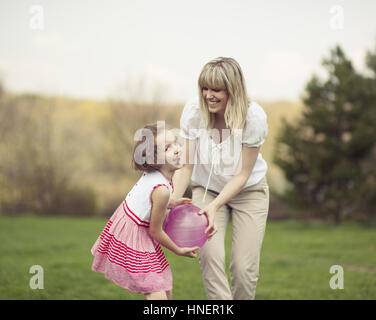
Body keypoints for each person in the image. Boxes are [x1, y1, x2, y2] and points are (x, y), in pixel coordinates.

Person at [171, 57, 269, 300]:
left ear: (233, 90)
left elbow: (243, 174)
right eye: (204, 88)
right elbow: (186, 167)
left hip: (249, 192)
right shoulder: (194, 112)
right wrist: (171, 199)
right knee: (210, 258)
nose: (208, 95)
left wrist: (215, 207)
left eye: (216, 89)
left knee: (243, 267)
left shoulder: (253, 117)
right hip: (207, 190)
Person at [91, 123, 198, 300]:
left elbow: (148, 201)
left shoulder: (158, 178)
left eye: (175, 143)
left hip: (135, 229)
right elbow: (155, 231)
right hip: (134, 238)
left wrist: (173, 203)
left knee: (164, 286)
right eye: (167, 148)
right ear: (154, 159)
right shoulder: (161, 190)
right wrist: (178, 250)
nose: (177, 150)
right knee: (156, 291)